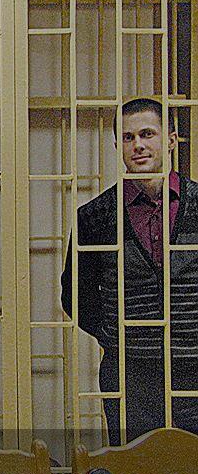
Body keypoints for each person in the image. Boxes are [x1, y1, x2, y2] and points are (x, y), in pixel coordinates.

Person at [61, 98, 198, 449]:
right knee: (135, 472)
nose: (137, 145)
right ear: (117, 145)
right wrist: (115, 336)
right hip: (129, 374)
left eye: (147, 134)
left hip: (194, 364)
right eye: (127, 137)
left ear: (171, 139)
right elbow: (74, 293)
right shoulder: (94, 216)